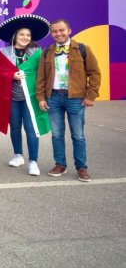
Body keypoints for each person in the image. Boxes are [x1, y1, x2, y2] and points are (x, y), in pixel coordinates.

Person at [36, 18, 101, 182]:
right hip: (54, 97)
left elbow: (94, 73)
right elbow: (41, 77)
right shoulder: (47, 52)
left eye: (61, 30)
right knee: (57, 134)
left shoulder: (82, 49)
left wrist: (90, 95)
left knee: (78, 135)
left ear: (69, 30)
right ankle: (60, 164)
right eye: (54, 31)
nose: (58, 34)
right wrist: (41, 97)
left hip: (75, 98)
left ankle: (81, 167)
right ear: (51, 33)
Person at [0, 15, 50, 176]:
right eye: (21, 35)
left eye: (28, 35)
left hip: (30, 98)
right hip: (12, 97)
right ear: (15, 36)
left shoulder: (37, 53)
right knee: (15, 127)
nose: (25, 37)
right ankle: (18, 155)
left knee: (31, 129)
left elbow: (42, 74)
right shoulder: (4, 52)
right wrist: (11, 75)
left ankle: (33, 161)